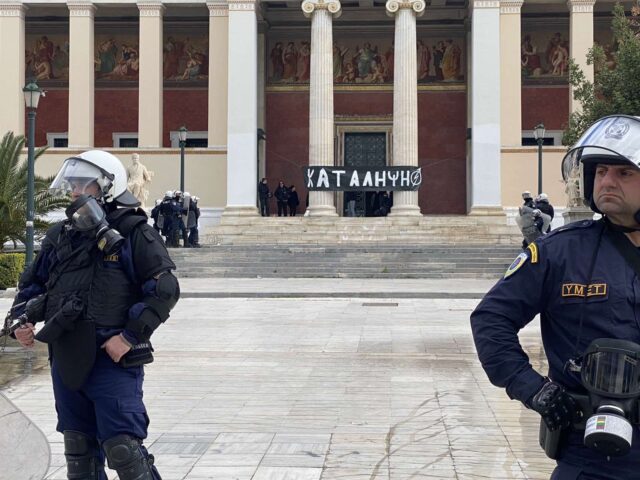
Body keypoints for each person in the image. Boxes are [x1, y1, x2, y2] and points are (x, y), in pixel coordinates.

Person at [470, 115, 640, 479]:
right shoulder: (558, 253)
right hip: (592, 455)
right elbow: (490, 320)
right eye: (601, 171)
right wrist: (535, 390)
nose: (607, 181)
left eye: (623, 173)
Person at [13, 150, 180, 480]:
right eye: (72, 184)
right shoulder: (60, 235)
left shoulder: (133, 232)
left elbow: (165, 289)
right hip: (66, 356)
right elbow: (31, 284)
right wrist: (20, 321)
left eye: (82, 185)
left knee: (123, 450)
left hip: (111, 359)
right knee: (79, 452)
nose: (74, 192)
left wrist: (130, 336)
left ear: (106, 187)